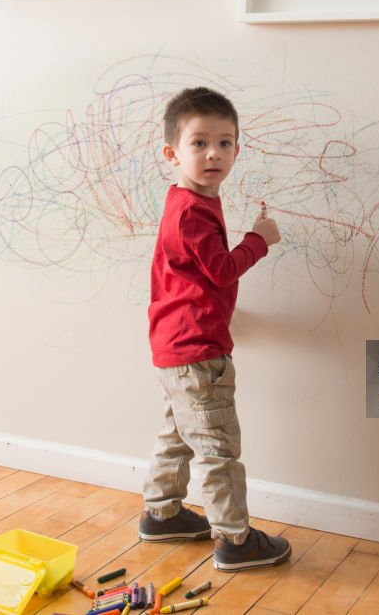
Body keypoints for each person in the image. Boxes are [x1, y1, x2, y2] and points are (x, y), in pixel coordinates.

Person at [138, 87, 292, 571]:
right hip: (197, 349)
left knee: (178, 433)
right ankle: (235, 540)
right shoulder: (191, 210)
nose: (213, 154)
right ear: (172, 153)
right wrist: (259, 240)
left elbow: (196, 275)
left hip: (175, 343)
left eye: (224, 143)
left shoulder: (191, 201)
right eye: (199, 143)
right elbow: (222, 270)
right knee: (217, 447)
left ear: (237, 151)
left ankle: (162, 514)